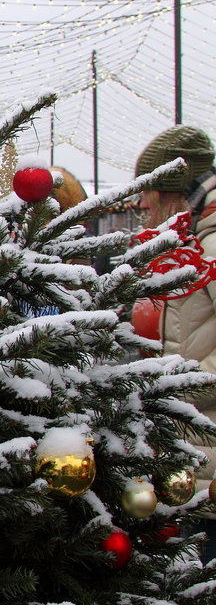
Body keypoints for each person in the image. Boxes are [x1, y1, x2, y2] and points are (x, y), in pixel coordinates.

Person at [135, 125, 216, 560]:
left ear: (172, 190)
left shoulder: (213, 238)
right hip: (198, 440)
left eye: (149, 191)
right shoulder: (198, 235)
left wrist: (182, 388)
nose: (142, 204)